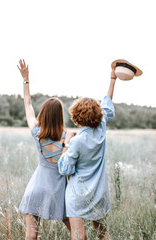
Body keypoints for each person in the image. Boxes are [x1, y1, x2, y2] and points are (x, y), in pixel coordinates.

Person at [58, 67, 117, 240]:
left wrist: (66, 142)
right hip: (99, 193)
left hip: (77, 195)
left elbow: (64, 169)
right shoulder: (101, 129)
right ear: (98, 115)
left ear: (76, 116)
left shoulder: (76, 142)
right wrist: (112, 79)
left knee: (79, 237)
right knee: (103, 234)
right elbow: (108, 104)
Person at [17, 59, 70, 239]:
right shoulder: (67, 138)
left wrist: (26, 80)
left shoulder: (37, 133)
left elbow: (28, 104)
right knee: (78, 235)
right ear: (60, 117)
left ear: (44, 114)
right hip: (59, 193)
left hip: (36, 189)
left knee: (31, 236)